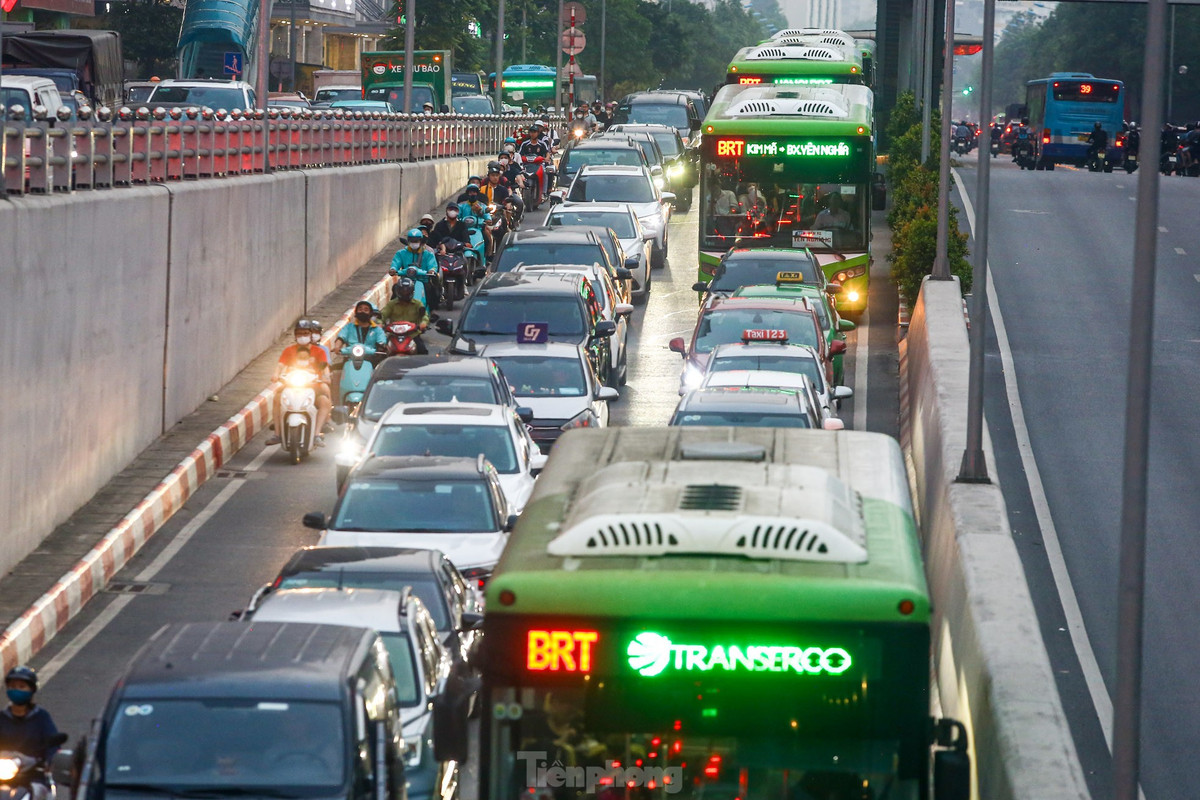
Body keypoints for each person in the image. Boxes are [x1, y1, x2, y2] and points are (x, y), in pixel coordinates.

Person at [268, 323, 333, 446]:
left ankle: (317, 434)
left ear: (310, 335)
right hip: (291, 384)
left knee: (324, 401)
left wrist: (326, 377)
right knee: (277, 398)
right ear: (295, 336)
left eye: (305, 333)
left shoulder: (319, 351)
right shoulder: (289, 350)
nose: (302, 336)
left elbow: (325, 367)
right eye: (299, 334)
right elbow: (280, 365)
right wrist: (275, 374)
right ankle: (277, 434)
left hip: (314, 385)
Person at [0, 666, 61, 785]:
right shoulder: (2, 718)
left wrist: (50, 762)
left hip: (34, 776)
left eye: (22, 687)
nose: (16, 690)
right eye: (12, 686)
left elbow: (53, 744)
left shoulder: (41, 717)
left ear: (32, 690)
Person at [390, 228, 441, 309]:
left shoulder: (427, 254)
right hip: (405, 281)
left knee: (432, 291)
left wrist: (432, 270)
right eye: (412, 241)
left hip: (423, 280)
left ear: (421, 241)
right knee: (395, 290)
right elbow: (396, 262)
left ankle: (431, 310)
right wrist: (393, 269)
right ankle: (392, 311)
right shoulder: (401, 253)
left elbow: (432, 265)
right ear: (408, 241)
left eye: (416, 241)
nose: (414, 243)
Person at [379, 278, 430, 353]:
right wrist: (379, 323)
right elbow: (382, 315)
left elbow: (425, 316)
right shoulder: (391, 304)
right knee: (381, 350)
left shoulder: (417, 304)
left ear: (412, 291)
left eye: (407, 291)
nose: (405, 293)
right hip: (394, 335)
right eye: (403, 291)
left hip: (412, 335)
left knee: (422, 351)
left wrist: (424, 323)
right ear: (398, 291)